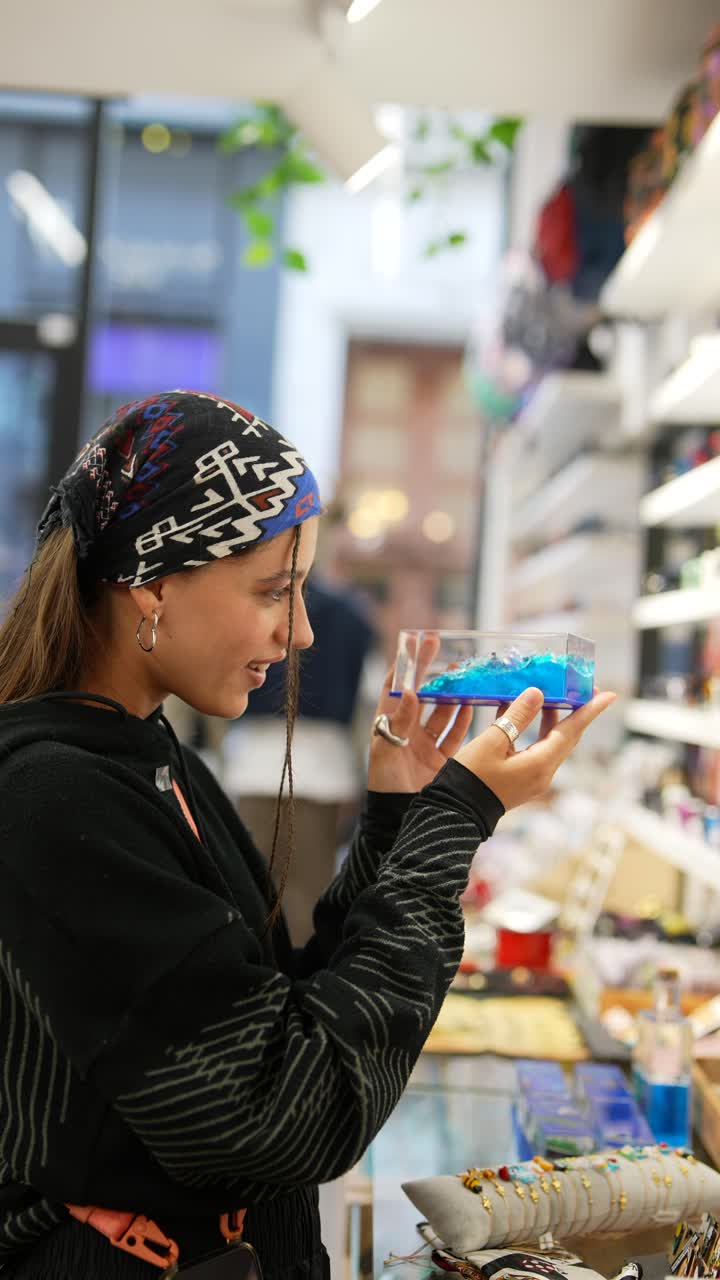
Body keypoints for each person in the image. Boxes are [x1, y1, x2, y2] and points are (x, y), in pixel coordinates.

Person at [0, 389, 614, 1279]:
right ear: (155, 581)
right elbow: (289, 1112)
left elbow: (280, 1014)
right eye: (273, 590)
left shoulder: (147, 754)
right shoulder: (53, 798)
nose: (303, 630)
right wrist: (456, 819)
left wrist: (400, 813)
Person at [227, 572, 376, 945]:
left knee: (249, 892)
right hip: (323, 767)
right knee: (308, 896)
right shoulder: (353, 614)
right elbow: (367, 702)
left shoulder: (253, 599)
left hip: (255, 760)